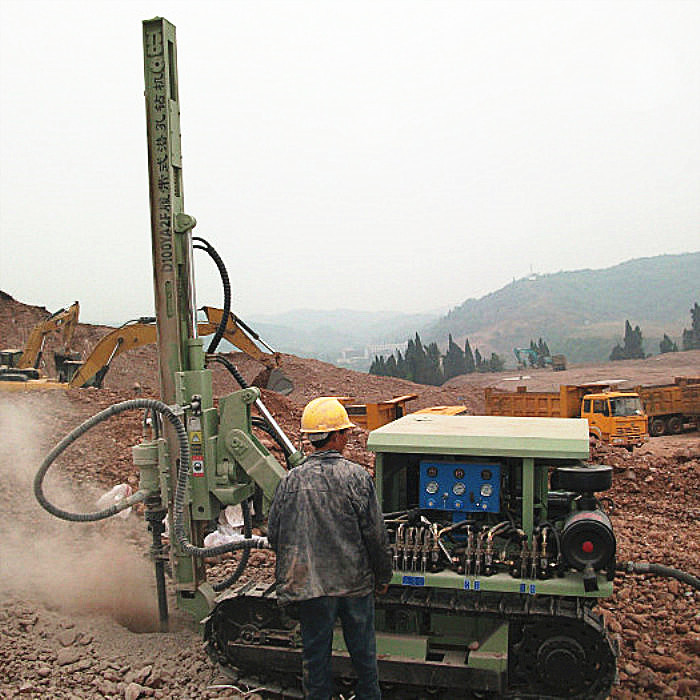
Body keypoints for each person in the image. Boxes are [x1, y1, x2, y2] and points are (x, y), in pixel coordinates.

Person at [267, 397, 393, 700]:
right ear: (336, 436)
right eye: (345, 433)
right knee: (364, 658)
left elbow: (275, 535)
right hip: (353, 585)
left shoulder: (290, 480)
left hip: (311, 588)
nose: (347, 438)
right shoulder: (356, 478)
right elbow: (375, 535)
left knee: (315, 659)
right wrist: (383, 576)